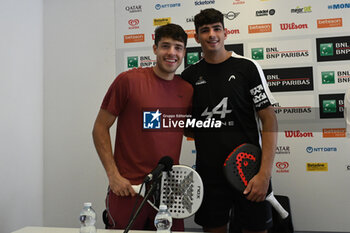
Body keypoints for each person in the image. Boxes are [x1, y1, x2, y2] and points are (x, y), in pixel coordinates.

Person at [181, 8, 278, 233]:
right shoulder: (189, 76)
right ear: (196, 37)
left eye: (217, 29)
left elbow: (269, 120)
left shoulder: (247, 68)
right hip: (209, 176)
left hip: (250, 171)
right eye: (205, 30)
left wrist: (264, 174)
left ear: (226, 33)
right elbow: (187, 127)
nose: (212, 35)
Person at [92, 23, 193, 230]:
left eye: (178, 47)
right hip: (127, 189)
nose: (171, 52)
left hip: (169, 191)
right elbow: (100, 128)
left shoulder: (187, 89)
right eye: (165, 46)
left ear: (184, 52)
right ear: (155, 49)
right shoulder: (128, 81)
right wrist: (113, 176)